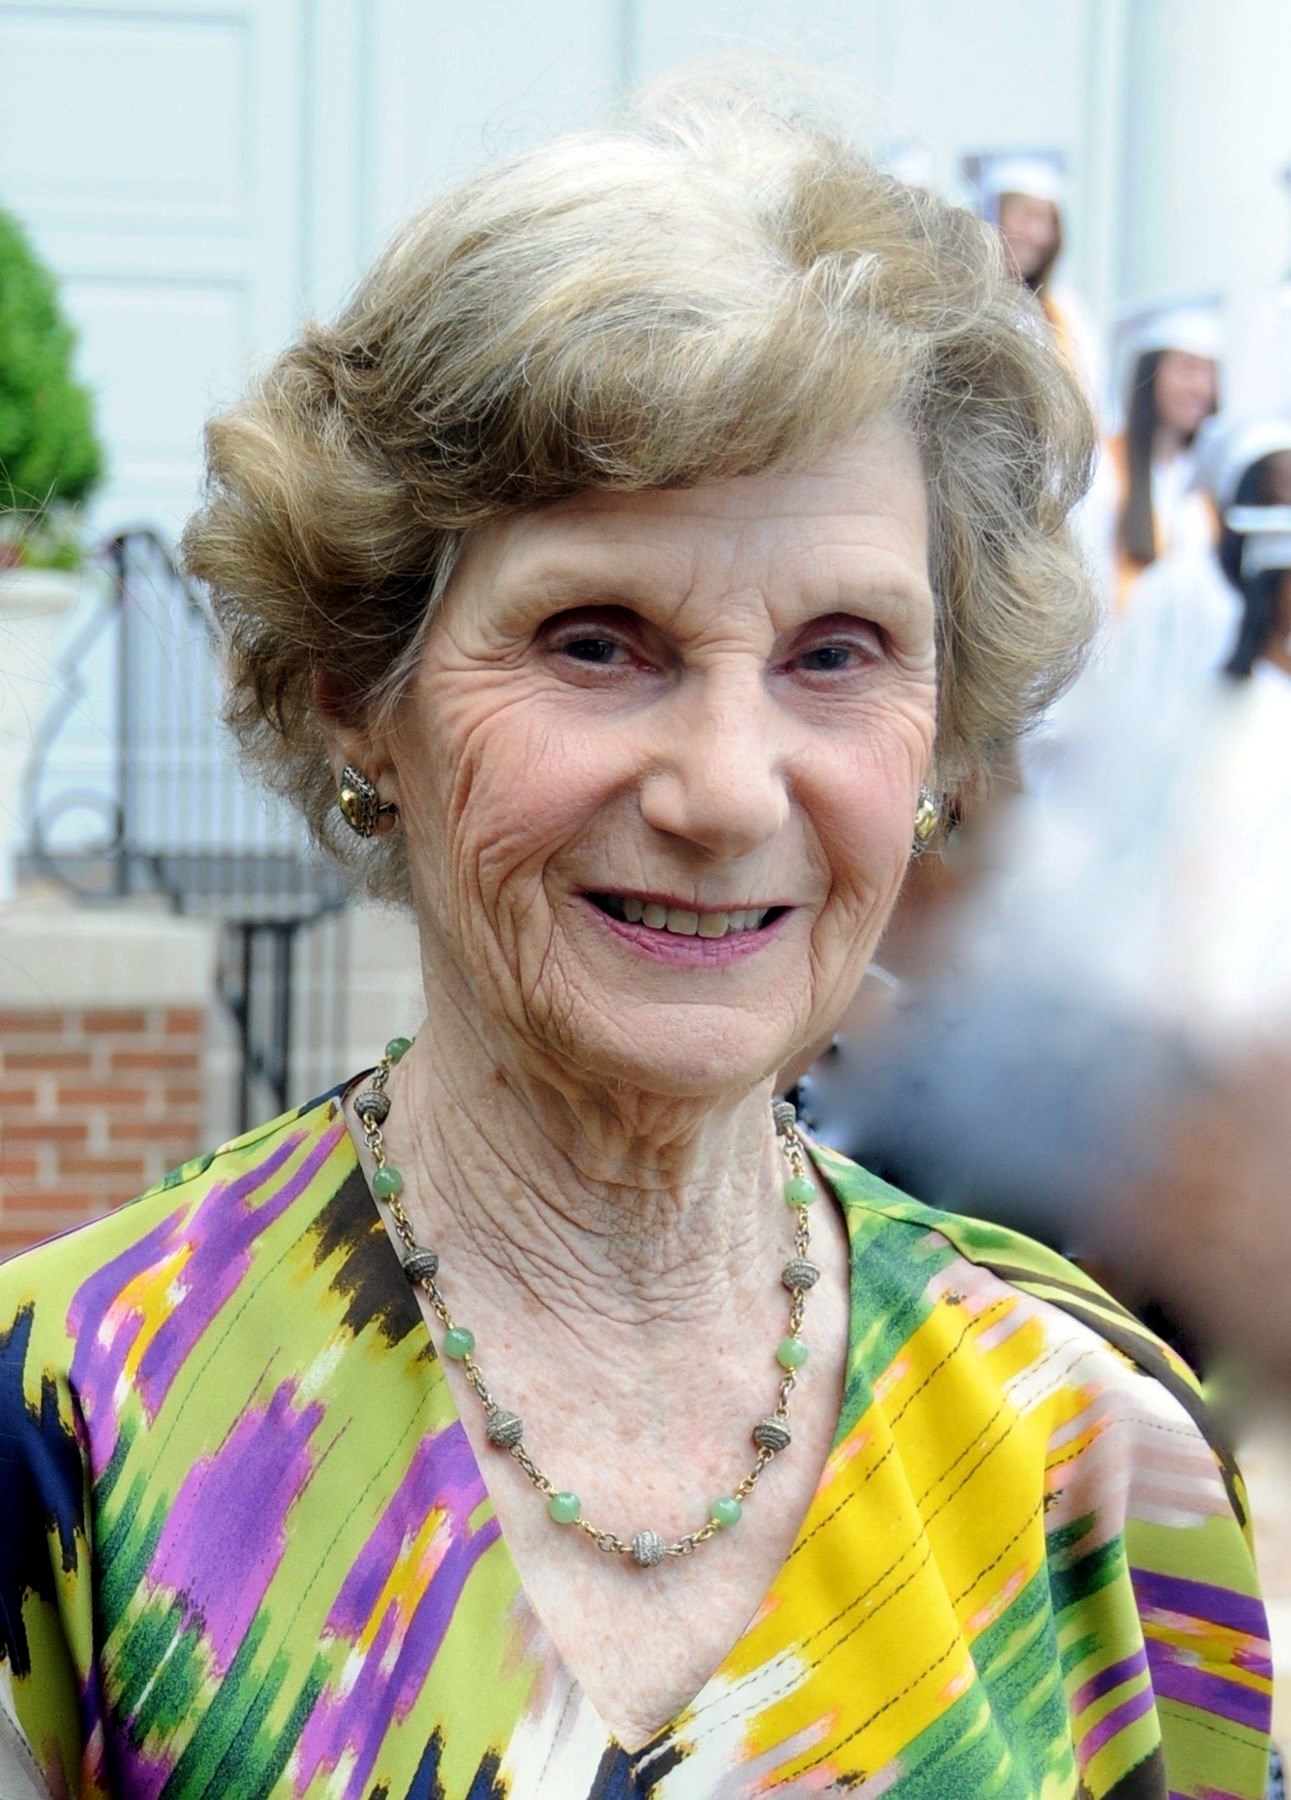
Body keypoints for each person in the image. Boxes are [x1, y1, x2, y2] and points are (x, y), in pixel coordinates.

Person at [0, 84, 1272, 1799]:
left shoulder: (1097, 1446)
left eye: (836, 653)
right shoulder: (70, 1421)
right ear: (357, 691)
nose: (727, 790)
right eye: (597, 641)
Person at [1105, 298, 1222, 609]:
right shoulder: (1106, 467)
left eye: (1210, 372)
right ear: (1150, 372)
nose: (1202, 388)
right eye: (1187, 369)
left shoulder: (1203, 480)